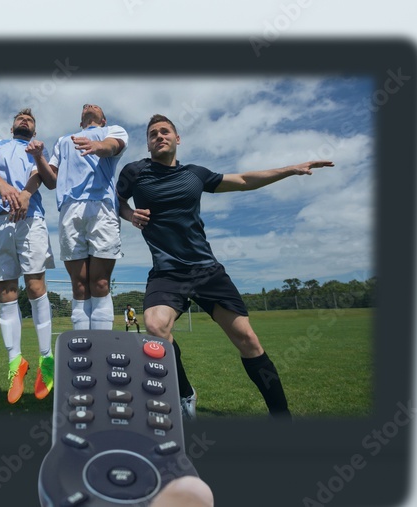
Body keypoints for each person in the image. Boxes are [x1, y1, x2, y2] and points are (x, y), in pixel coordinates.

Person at [117, 114, 334, 420]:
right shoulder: (135, 171)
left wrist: (291, 169)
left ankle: (282, 417)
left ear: (177, 139)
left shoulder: (196, 174)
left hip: (206, 270)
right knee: (155, 327)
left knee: (247, 339)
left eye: (165, 132)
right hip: (166, 273)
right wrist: (129, 215)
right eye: (153, 134)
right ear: (148, 143)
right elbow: (115, 199)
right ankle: (183, 394)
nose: (159, 136)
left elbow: (244, 181)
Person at [0, 108, 56, 404]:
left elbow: (43, 178)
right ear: (12, 128)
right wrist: (2, 184)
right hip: (0, 220)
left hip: (31, 220)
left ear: (33, 131)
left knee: (36, 286)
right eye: (20, 119)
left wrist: (24, 193)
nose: (24, 122)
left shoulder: (37, 148)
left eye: (30, 120)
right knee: (7, 291)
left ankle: (46, 360)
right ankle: (16, 363)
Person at [32, 104, 129, 331]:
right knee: (79, 285)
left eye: (96, 106)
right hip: (69, 208)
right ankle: (83, 349)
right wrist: (38, 157)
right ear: (80, 121)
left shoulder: (112, 131)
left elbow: (112, 147)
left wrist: (98, 146)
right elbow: (51, 180)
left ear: (103, 120)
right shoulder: (64, 140)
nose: (89, 105)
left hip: (102, 207)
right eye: (85, 106)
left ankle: (102, 345)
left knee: (100, 282)